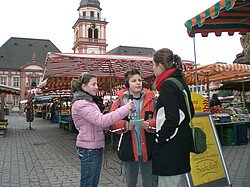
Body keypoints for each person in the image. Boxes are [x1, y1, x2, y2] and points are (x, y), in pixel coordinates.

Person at [71, 72, 134, 187]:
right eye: (93, 84)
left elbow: (97, 123)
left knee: (93, 182)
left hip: (94, 146)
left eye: (97, 84)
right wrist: (125, 109)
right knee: (88, 183)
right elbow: (101, 121)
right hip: (89, 148)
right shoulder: (81, 104)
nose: (97, 87)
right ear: (84, 87)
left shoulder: (89, 102)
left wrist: (105, 125)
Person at [152, 48, 195, 187]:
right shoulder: (179, 80)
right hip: (181, 144)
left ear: (160, 66)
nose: (152, 68)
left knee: (170, 183)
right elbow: (191, 111)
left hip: (171, 148)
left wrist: (160, 138)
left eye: (153, 64)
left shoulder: (168, 84)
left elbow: (172, 119)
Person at [110, 68, 157, 187]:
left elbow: (160, 121)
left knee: (150, 183)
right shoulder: (119, 102)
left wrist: (150, 124)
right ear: (127, 84)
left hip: (148, 149)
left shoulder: (152, 101)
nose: (138, 83)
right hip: (129, 149)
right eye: (133, 81)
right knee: (131, 182)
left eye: (139, 80)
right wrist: (124, 125)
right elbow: (111, 123)